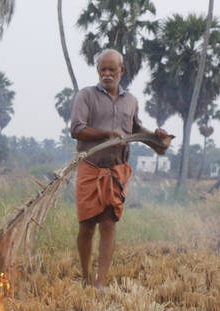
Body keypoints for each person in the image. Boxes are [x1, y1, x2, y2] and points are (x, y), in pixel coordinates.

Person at [70, 49, 169, 289]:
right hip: (90, 166)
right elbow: (77, 129)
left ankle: (100, 282)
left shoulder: (131, 101)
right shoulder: (86, 96)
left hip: (116, 170)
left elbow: (135, 129)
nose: (107, 74)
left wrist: (156, 136)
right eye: (103, 69)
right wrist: (106, 134)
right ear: (98, 71)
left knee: (108, 223)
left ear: (121, 71)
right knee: (86, 225)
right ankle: (85, 276)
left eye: (111, 69)